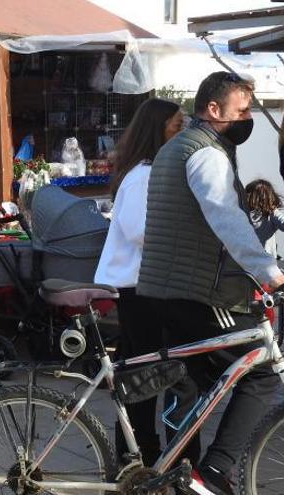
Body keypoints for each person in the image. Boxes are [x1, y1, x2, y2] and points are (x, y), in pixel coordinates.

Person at [136, 72, 284, 494]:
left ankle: (181, 477)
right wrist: (272, 275)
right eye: (241, 111)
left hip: (162, 288)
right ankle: (216, 471)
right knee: (261, 371)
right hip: (198, 291)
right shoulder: (206, 154)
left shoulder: (175, 148)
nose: (248, 119)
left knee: (193, 383)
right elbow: (228, 218)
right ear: (213, 110)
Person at [94, 98, 182, 465]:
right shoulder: (144, 174)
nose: (181, 131)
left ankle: (136, 455)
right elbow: (139, 229)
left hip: (143, 286)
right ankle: (140, 454)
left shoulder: (146, 170)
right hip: (139, 288)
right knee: (144, 375)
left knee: (141, 372)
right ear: (157, 129)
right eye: (177, 125)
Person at [245, 179, 284, 258]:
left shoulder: (271, 213)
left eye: (250, 193)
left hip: (265, 259)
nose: (247, 196)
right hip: (246, 259)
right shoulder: (243, 213)